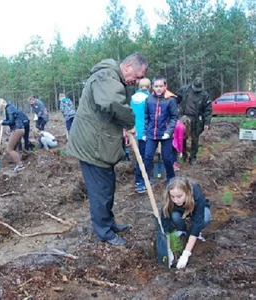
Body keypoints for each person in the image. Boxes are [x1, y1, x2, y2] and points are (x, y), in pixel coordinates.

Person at [67, 52, 149, 246]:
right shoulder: (106, 76)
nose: (136, 81)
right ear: (128, 66)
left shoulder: (112, 77)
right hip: (92, 146)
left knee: (108, 186)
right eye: (136, 76)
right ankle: (103, 231)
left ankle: (108, 222)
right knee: (100, 190)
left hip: (100, 143)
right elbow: (112, 103)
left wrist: (121, 129)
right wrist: (129, 123)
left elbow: (105, 112)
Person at [138, 75, 178, 193]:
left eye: (161, 86)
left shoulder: (170, 100)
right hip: (151, 133)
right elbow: (146, 117)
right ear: (153, 87)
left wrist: (168, 131)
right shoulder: (149, 99)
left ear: (165, 86)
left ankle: (171, 178)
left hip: (165, 134)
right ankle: (144, 180)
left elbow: (174, 117)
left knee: (167, 157)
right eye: (156, 86)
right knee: (148, 156)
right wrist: (145, 132)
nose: (159, 88)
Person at [161, 176, 211, 269]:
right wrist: (168, 248)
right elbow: (165, 221)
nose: (175, 200)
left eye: (179, 196)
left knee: (206, 218)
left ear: (187, 193)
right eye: (172, 197)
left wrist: (186, 254)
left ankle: (196, 235)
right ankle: (182, 230)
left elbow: (198, 221)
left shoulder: (196, 195)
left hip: (194, 209)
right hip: (178, 211)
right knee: (175, 216)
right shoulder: (168, 199)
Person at [176, 76, 212, 165]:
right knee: (182, 137)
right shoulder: (184, 90)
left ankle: (193, 157)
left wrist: (207, 122)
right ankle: (183, 155)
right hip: (184, 117)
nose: (196, 90)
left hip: (197, 119)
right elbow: (176, 99)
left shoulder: (205, 95)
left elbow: (208, 109)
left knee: (195, 139)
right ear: (192, 84)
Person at [0, 98, 30, 172]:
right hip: (20, 129)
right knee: (13, 148)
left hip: (17, 129)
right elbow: (13, 120)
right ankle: (18, 163)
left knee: (9, 149)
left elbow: (11, 121)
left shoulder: (9, 108)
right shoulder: (11, 107)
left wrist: (2, 122)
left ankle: (20, 165)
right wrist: (5, 122)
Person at [130, 77, 151, 186]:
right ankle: (141, 180)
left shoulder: (133, 98)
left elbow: (130, 113)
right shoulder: (149, 98)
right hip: (146, 129)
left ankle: (141, 178)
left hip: (135, 129)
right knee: (145, 155)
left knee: (140, 154)